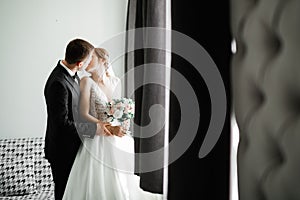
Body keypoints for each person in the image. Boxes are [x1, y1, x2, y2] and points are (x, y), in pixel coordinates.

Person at [62, 48, 163, 200]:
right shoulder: (86, 81)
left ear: (103, 60)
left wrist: (124, 121)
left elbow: (119, 108)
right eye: (87, 59)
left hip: (117, 135)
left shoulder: (116, 81)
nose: (87, 62)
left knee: (125, 180)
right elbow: (83, 114)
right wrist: (107, 126)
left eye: (92, 59)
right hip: (97, 136)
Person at [44, 39, 112, 200]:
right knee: (65, 193)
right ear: (80, 64)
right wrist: (95, 129)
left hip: (75, 146)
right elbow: (62, 124)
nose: (90, 64)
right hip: (63, 150)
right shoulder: (58, 83)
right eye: (89, 61)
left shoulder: (72, 75)